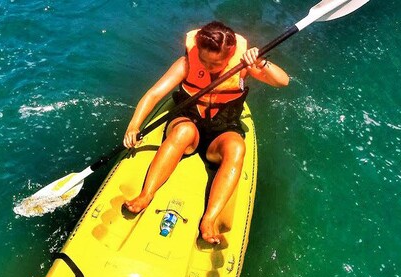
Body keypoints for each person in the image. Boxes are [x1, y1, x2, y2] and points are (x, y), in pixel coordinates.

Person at [122, 21, 289, 245]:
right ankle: (146, 195)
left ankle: (209, 220)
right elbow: (153, 95)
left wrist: (261, 62)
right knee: (183, 131)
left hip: (222, 128)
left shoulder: (242, 66)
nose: (209, 67)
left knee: (237, 147)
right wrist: (134, 125)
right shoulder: (185, 64)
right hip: (188, 119)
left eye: (216, 63)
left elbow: (283, 82)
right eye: (204, 60)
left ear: (230, 53)